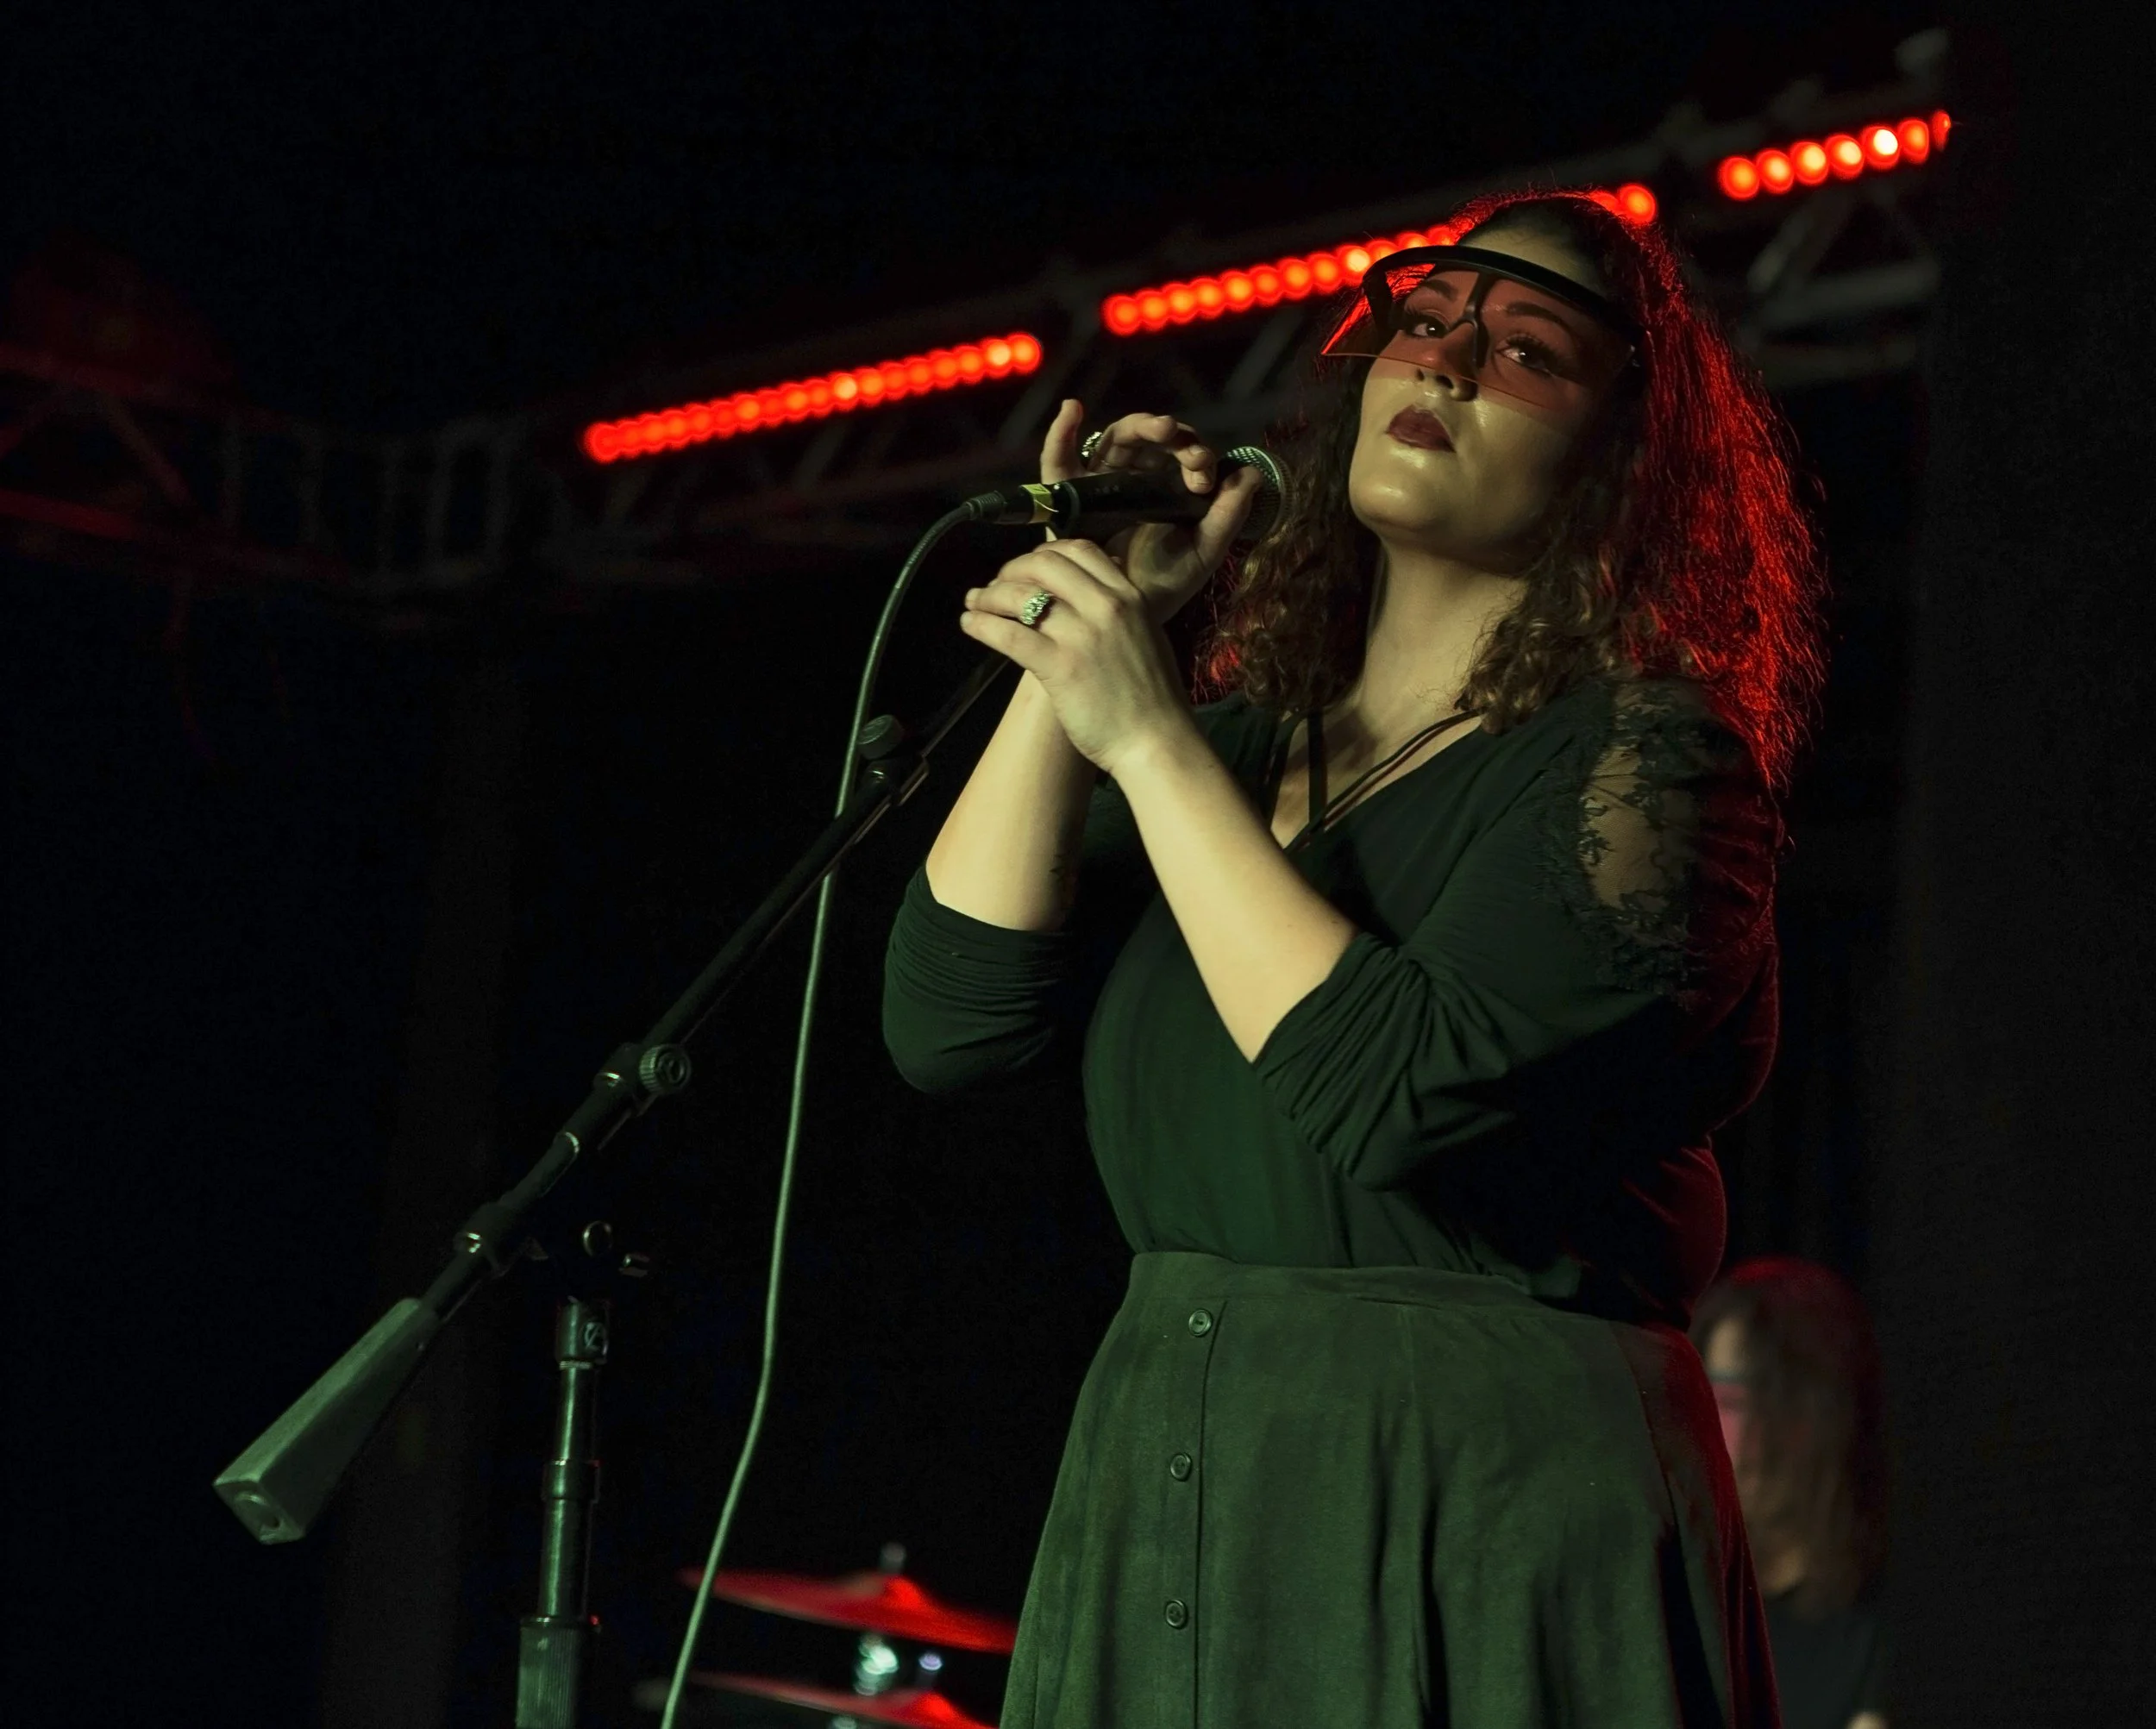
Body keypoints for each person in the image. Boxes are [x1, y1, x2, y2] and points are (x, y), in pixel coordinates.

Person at [882, 187, 1826, 1728]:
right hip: (1177, 1469)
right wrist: (1091, 634)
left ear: (1621, 460)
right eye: (1425, 320)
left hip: (1484, 1508)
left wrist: (1145, 734)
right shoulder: (1239, 754)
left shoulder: (1654, 764)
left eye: (1527, 350)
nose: (1444, 360)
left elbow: (1397, 1091)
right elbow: (951, 1019)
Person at [1695, 1259, 1890, 1729]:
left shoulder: (1876, 1636)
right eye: (1724, 1402)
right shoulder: (1684, 1614)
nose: (1747, 1440)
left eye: (1773, 1402)